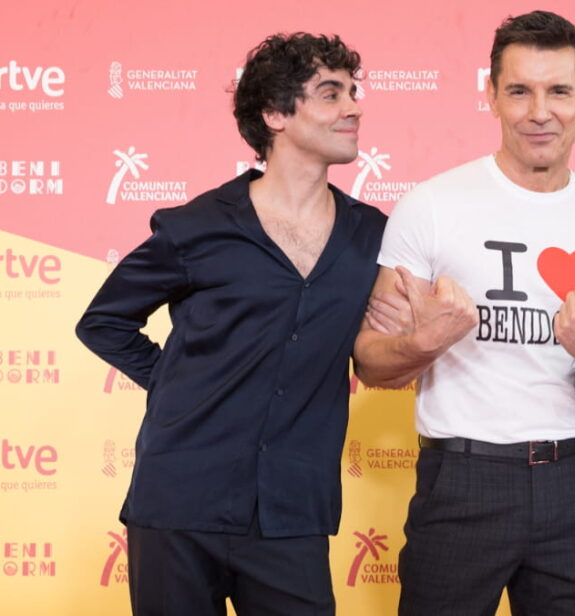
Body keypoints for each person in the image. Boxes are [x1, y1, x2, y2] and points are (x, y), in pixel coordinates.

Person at [352, 10, 575, 615]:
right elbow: (370, 362)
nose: (539, 111)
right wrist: (424, 343)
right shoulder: (431, 207)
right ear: (490, 95)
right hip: (462, 480)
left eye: (559, 91)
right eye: (519, 90)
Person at [75, 33, 386, 615]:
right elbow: (103, 321)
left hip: (292, 512)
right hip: (178, 502)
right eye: (330, 93)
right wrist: (174, 381)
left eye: (352, 91)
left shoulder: (372, 234)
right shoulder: (195, 227)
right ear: (275, 114)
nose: (354, 106)